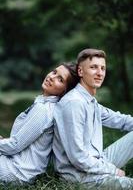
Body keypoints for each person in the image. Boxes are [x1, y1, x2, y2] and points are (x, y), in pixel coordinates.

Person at [53, 49, 133, 190]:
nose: (100, 73)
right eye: (93, 67)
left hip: (97, 161)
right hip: (79, 175)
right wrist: (114, 171)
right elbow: (78, 157)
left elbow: (120, 120)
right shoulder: (74, 103)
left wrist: (107, 168)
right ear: (80, 71)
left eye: (102, 68)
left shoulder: (90, 101)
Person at [0, 62, 79, 185]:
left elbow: (15, 145)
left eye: (60, 79)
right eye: (54, 72)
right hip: (17, 164)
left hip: (16, 171)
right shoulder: (43, 104)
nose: (52, 77)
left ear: (65, 91)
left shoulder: (44, 110)